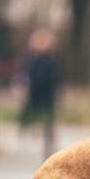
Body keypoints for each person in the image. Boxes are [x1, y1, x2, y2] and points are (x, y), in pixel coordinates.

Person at [20, 28, 61, 159]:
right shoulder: (31, 60)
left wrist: (57, 92)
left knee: (47, 121)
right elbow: (25, 76)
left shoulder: (51, 61)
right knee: (31, 116)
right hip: (34, 94)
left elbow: (56, 79)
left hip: (47, 95)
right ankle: (31, 129)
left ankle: (48, 143)